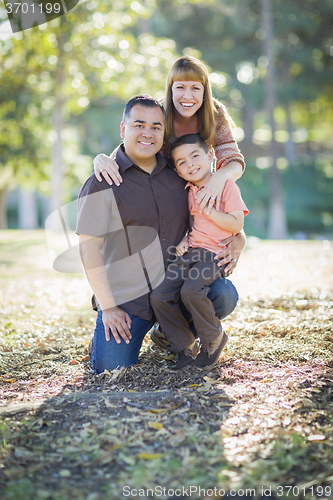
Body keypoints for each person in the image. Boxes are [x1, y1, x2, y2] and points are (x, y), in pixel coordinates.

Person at [76, 95, 239, 373]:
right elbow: (88, 249)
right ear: (123, 128)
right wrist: (110, 307)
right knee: (110, 370)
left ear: (164, 133)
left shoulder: (181, 175)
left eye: (156, 127)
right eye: (139, 125)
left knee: (222, 294)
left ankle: (170, 333)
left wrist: (239, 239)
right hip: (129, 299)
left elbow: (217, 216)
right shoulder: (103, 181)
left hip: (175, 287)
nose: (147, 133)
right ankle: (107, 332)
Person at [93, 56, 246, 279]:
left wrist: (218, 181)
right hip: (168, 195)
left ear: (204, 92)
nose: (187, 96)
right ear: (170, 90)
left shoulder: (214, 114)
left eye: (195, 88)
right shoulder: (161, 113)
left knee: (218, 291)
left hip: (203, 197)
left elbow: (234, 160)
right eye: (180, 87)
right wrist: (102, 158)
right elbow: (136, 144)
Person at [150, 134, 249, 370]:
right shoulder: (189, 190)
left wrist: (211, 212)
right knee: (160, 296)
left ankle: (213, 339)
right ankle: (183, 346)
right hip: (191, 252)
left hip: (214, 254)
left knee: (192, 290)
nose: (190, 163)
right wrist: (185, 238)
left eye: (195, 156)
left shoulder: (226, 186)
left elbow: (236, 225)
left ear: (210, 156)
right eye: (182, 162)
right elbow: (194, 225)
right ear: (178, 171)